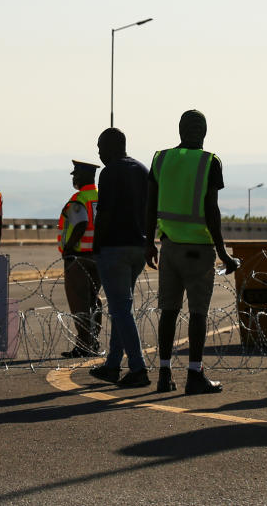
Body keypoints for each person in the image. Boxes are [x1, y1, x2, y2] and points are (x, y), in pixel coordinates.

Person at [145, 109, 239, 394]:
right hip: (199, 250)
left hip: (169, 246)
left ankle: (164, 374)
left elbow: (150, 204)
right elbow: (212, 209)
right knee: (198, 314)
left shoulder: (161, 158)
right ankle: (195, 375)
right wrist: (223, 253)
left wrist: (150, 242)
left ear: (180, 130)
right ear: (204, 132)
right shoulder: (210, 161)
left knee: (169, 312)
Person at [88, 128, 152, 388]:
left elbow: (104, 212)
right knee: (121, 308)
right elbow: (151, 210)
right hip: (139, 246)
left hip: (115, 247)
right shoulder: (142, 170)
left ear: (112, 147)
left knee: (121, 310)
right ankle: (113, 365)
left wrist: (96, 244)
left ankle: (138, 368)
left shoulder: (110, 172)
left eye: (101, 148)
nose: (100, 154)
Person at [58, 159, 102, 358]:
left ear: (83, 176)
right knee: (93, 300)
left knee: (79, 303)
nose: (74, 178)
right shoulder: (101, 197)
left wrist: (68, 247)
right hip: (98, 257)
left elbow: (81, 224)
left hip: (79, 257)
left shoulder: (79, 199)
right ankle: (93, 340)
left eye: (75, 174)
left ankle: (84, 344)